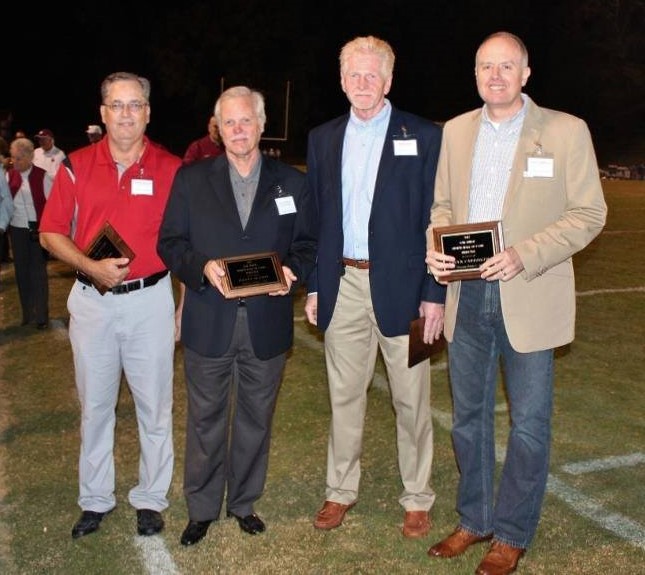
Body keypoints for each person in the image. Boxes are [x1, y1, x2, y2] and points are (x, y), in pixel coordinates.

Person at [425, 32, 607, 575]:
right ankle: (475, 519)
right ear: (475, 74)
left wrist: (524, 254)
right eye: (486, 66)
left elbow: (589, 213)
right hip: (466, 294)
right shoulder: (456, 130)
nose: (496, 75)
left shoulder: (566, 130)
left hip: (528, 291)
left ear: (526, 74)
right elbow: (441, 205)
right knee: (468, 419)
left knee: (528, 424)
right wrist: (438, 246)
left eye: (507, 66)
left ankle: (511, 533)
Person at [157, 85, 317, 547]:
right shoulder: (192, 179)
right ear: (218, 129)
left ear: (262, 125)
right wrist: (201, 268)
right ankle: (202, 508)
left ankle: (244, 503)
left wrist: (292, 272)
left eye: (246, 120)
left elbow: (308, 243)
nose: (238, 129)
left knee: (255, 419)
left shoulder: (292, 182)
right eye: (229, 122)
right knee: (205, 419)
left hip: (266, 324)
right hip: (209, 320)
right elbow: (170, 242)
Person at [304, 35, 445, 539]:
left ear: (388, 80)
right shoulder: (322, 138)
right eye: (354, 75)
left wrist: (434, 292)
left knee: (411, 400)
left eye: (372, 75)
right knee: (344, 397)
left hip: (405, 291)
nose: (362, 83)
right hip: (341, 284)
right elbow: (316, 220)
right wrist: (316, 286)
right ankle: (340, 490)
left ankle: (417, 497)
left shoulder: (424, 135)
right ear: (342, 80)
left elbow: (439, 217)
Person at [39, 71, 182, 540]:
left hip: (150, 300)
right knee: (96, 406)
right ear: (103, 113)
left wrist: (182, 306)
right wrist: (90, 266)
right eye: (117, 105)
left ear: (148, 112)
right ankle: (95, 498)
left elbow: (185, 242)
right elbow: (50, 232)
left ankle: (151, 497)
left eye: (135, 104)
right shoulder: (76, 165)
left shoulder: (170, 167)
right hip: (93, 301)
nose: (126, 114)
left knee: (154, 407)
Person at [7, 138, 52, 327]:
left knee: (38, 272)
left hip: (38, 230)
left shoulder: (43, 176)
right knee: (21, 272)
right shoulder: (9, 176)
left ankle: (41, 316)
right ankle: (27, 313)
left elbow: (51, 206)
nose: (14, 162)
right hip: (17, 230)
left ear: (29, 157)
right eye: (13, 158)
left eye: (18, 158)